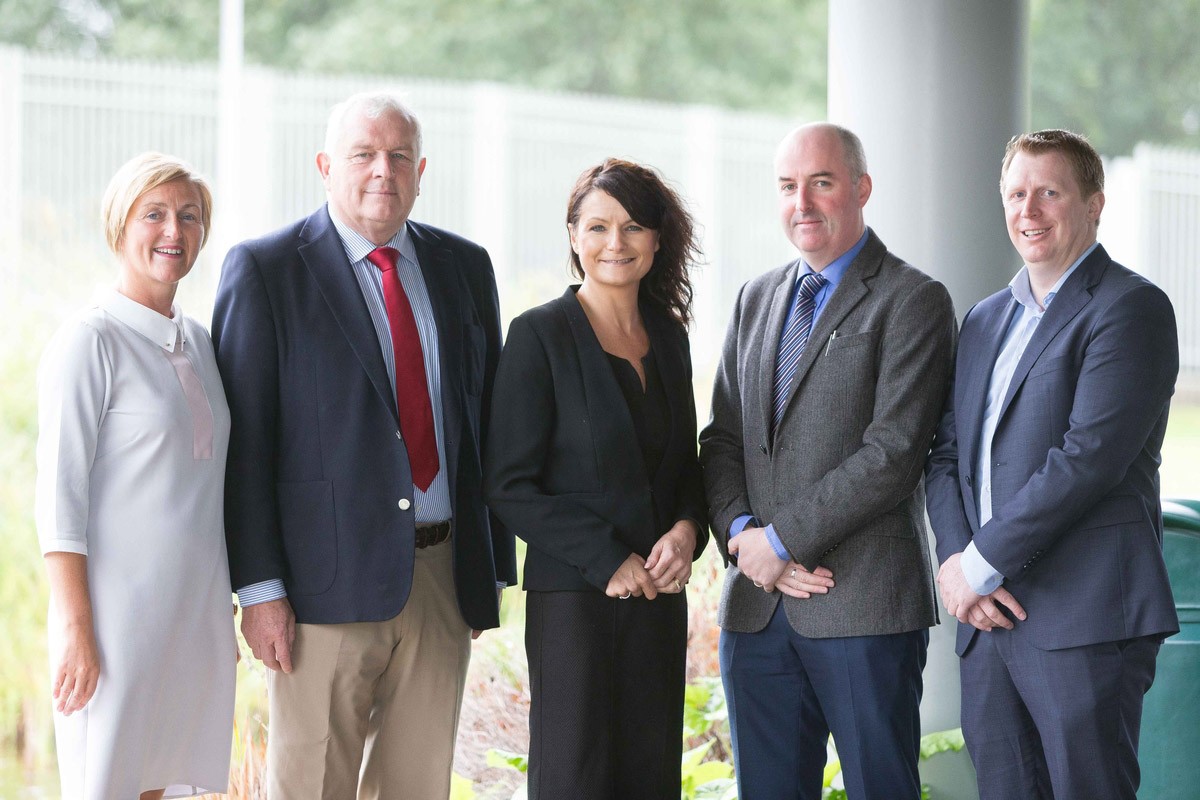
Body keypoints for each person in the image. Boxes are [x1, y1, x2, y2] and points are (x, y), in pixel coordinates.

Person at [211, 91, 515, 798]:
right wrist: (259, 591)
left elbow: (485, 422)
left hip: (442, 579)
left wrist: (486, 571)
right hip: (320, 590)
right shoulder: (266, 271)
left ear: (421, 170)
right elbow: (245, 448)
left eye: (399, 156)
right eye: (363, 155)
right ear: (325, 165)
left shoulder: (465, 268)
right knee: (312, 783)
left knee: (417, 785)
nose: (383, 170)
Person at [698, 123, 956, 799]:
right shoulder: (757, 298)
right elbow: (722, 438)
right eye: (788, 186)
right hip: (757, 614)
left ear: (861, 188)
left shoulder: (913, 300)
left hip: (863, 606)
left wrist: (782, 542)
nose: (802, 203)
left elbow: (893, 453)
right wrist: (744, 537)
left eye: (822, 183)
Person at [924, 129, 1179, 799]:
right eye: (1016, 193)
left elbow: (1088, 459)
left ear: (1094, 204)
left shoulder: (1131, 308)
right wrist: (956, 569)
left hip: (1083, 618)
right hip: (985, 618)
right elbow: (946, 452)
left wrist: (979, 564)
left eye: (1049, 192)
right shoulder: (982, 320)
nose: (1028, 211)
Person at [484, 158, 708, 799]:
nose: (616, 243)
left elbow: (685, 463)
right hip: (577, 605)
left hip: (659, 602)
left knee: (650, 776)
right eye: (599, 226)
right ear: (574, 237)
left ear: (657, 240)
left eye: (634, 227)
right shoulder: (538, 336)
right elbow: (508, 485)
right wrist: (609, 559)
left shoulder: (668, 335)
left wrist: (689, 530)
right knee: (576, 780)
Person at [35, 152, 236, 799]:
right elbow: (58, 500)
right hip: (114, 626)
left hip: (190, 620)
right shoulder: (89, 342)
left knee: (168, 786)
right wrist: (75, 632)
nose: (173, 232)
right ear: (120, 226)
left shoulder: (202, 343)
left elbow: (205, 496)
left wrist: (220, 618)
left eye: (189, 216)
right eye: (155, 214)